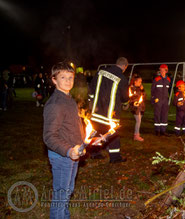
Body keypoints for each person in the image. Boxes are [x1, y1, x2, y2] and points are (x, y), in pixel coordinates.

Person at [43, 62, 85, 219]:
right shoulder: (55, 104)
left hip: (72, 153)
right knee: (60, 195)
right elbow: (49, 136)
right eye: (63, 77)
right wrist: (68, 151)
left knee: (67, 191)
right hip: (61, 156)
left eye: (70, 77)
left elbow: (73, 125)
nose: (68, 81)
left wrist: (81, 144)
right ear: (54, 80)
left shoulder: (69, 99)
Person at [88, 57, 129, 163]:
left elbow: (92, 87)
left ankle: (94, 153)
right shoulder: (122, 78)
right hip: (111, 113)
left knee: (96, 130)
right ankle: (115, 157)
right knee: (113, 133)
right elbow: (124, 97)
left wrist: (92, 101)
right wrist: (125, 104)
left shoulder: (100, 72)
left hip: (97, 109)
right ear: (125, 66)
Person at [151, 64, 171, 136]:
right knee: (157, 115)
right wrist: (153, 99)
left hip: (165, 100)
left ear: (166, 71)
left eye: (163, 70)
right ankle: (157, 130)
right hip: (158, 100)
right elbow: (152, 90)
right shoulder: (156, 79)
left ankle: (163, 130)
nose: (162, 71)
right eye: (161, 70)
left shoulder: (168, 80)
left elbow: (169, 90)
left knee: (164, 115)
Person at [129, 75, 146, 141]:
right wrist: (134, 103)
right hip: (135, 107)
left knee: (139, 120)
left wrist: (143, 90)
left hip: (141, 106)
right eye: (139, 81)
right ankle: (136, 135)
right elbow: (131, 97)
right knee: (138, 120)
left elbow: (144, 96)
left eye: (141, 81)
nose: (140, 83)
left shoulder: (140, 88)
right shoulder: (131, 88)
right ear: (135, 82)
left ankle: (137, 133)